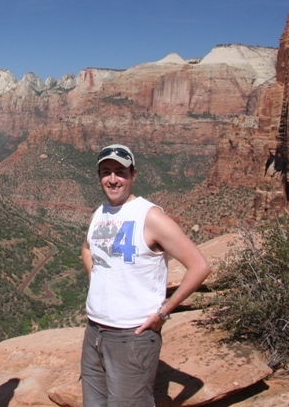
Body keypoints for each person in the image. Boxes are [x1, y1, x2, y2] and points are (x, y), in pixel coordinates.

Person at [81, 144, 211, 406]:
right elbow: (86, 249)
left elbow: (200, 266)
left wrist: (163, 312)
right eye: (106, 172)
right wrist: (99, 283)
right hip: (94, 331)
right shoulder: (101, 213)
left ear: (133, 175)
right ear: (99, 176)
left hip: (132, 336)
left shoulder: (150, 216)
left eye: (120, 172)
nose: (113, 179)